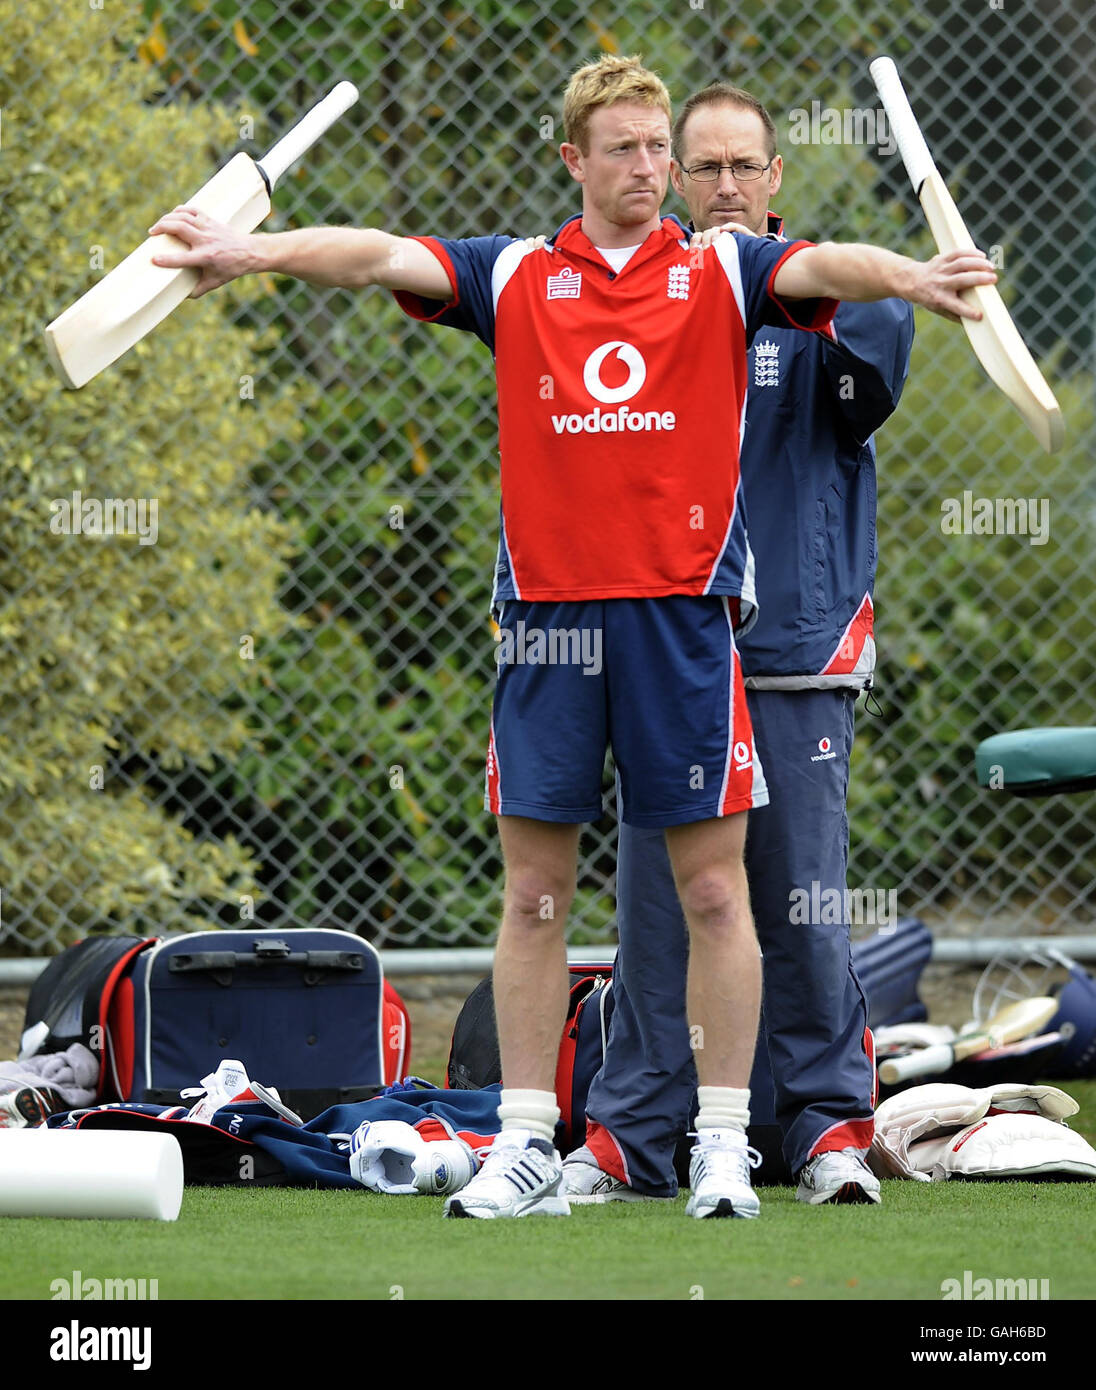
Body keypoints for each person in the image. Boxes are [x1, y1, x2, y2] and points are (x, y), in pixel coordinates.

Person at [148, 55, 994, 1220]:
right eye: (631, 149)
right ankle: (528, 1138)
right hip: (546, 627)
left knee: (711, 898)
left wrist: (919, 274)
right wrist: (247, 253)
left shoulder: (720, 265)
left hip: (681, 627)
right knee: (536, 898)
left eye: (664, 149)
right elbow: (377, 252)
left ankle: (719, 1145)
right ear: (575, 161)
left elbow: (826, 265)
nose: (655, 170)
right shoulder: (515, 273)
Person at [560, 82, 914, 1208]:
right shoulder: (642, 294)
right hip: (671, 648)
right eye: (697, 166)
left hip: (794, 649)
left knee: (801, 897)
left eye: (739, 167)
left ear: (772, 180)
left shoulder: (826, 297)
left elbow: (864, 372)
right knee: (657, 911)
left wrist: (890, 286)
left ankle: (823, 1129)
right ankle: (633, 1133)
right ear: (669, 177)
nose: (718, 186)